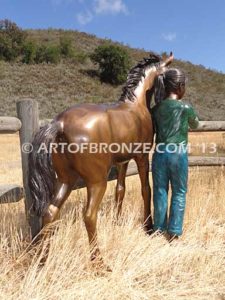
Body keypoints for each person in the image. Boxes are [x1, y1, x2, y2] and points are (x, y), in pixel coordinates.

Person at [151, 68, 199, 241]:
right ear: (180, 86)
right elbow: (196, 125)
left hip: (160, 153)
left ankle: (158, 228)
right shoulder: (186, 107)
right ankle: (174, 231)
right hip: (178, 154)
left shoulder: (155, 109)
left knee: (160, 190)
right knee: (179, 191)